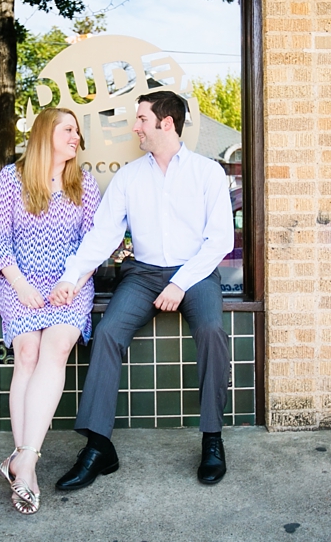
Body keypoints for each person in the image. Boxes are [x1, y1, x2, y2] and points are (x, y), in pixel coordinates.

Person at [49, 90, 234, 489]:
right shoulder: (130, 176)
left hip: (196, 273)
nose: (135, 127)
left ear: (166, 123)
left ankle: (212, 439)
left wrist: (180, 283)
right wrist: (72, 275)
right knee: (109, 333)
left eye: (142, 120)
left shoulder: (207, 173)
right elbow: (104, 235)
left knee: (212, 332)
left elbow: (219, 241)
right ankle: (98, 448)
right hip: (144, 273)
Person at [0, 107, 100, 515]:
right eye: (69, 129)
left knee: (54, 349)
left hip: (69, 286)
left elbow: (93, 246)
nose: (76, 138)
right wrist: (22, 287)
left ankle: (25, 461)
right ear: (45, 133)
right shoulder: (10, 180)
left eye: (78, 132)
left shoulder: (83, 183)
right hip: (20, 284)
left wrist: (70, 283)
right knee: (27, 354)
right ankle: (25, 464)